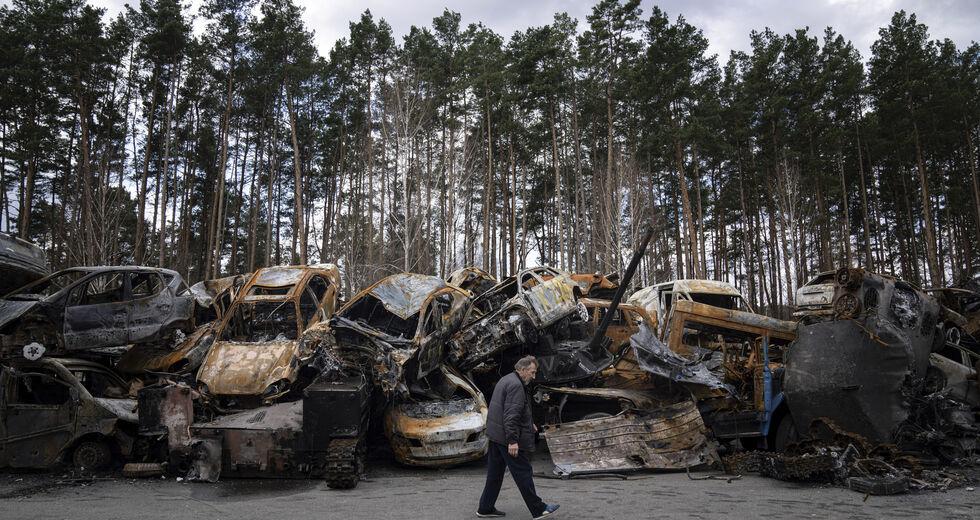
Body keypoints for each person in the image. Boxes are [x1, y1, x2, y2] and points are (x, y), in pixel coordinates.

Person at [477, 356, 560, 519]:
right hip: (506, 438)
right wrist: (513, 441)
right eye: (532, 372)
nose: (534, 376)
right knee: (523, 472)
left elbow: (510, 409)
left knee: (495, 474)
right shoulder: (516, 386)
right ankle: (538, 509)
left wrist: (529, 423)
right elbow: (511, 416)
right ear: (522, 370)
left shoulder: (507, 379)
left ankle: (485, 508)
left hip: (495, 435)